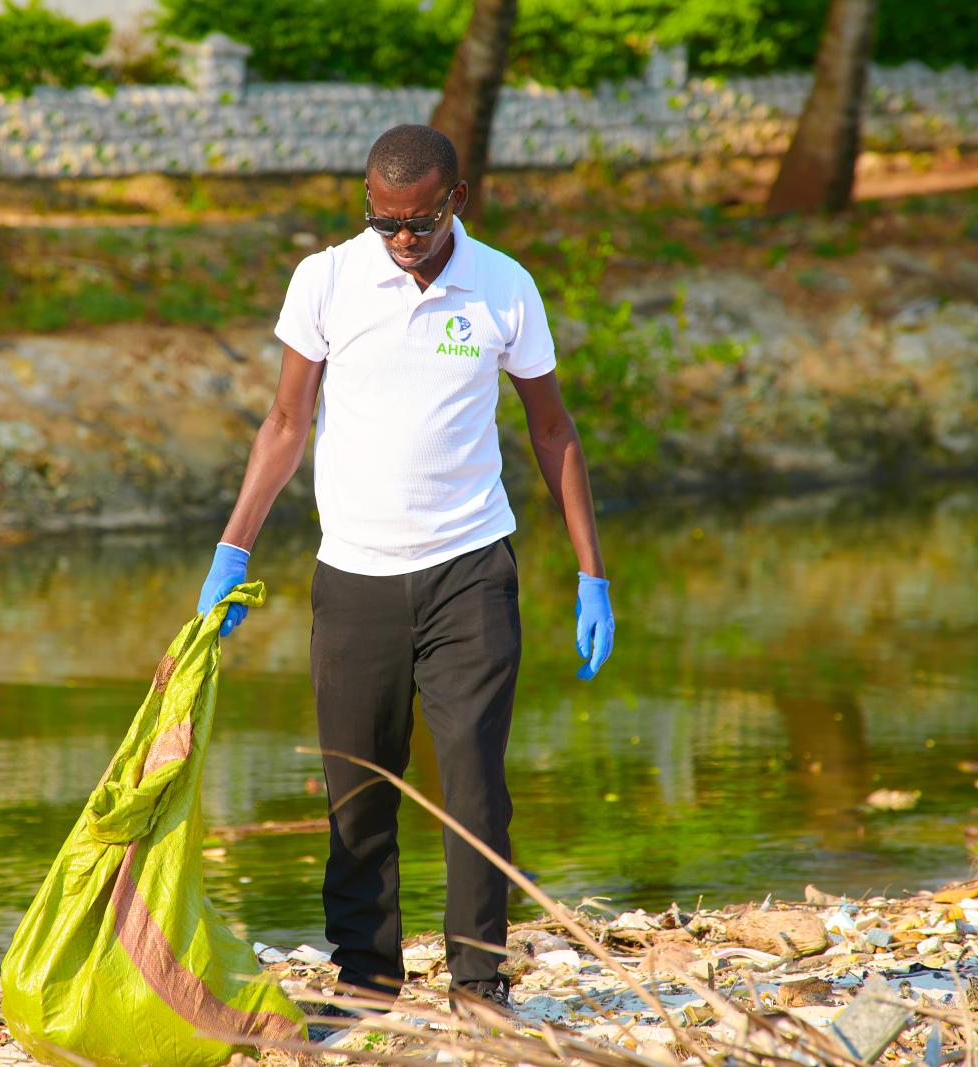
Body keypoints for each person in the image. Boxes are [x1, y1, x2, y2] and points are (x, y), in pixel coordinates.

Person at [195, 124, 614, 1013]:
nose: (400, 239)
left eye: (418, 222)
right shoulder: (326, 280)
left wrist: (592, 570)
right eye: (382, 221)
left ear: (455, 200)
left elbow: (551, 430)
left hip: (471, 569)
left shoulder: (503, 286)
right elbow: (285, 424)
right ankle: (367, 978)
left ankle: (479, 983)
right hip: (355, 578)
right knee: (357, 787)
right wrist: (234, 548)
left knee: (474, 782)